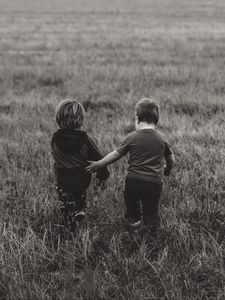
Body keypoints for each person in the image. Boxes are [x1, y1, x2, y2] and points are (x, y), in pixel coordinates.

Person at [86, 98, 175, 234]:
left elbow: (115, 155)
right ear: (157, 120)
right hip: (154, 183)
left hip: (134, 181)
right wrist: (167, 169)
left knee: (132, 204)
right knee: (151, 208)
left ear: (137, 119)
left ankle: (134, 223)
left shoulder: (132, 137)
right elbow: (171, 159)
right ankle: (151, 227)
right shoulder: (162, 138)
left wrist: (98, 164)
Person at [51, 99, 110, 232]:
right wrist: (103, 176)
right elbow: (98, 158)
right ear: (81, 119)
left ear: (58, 119)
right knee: (79, 197)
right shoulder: (84, 140)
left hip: (63, 180)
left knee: (65, 202)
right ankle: (78, 212)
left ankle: (70, 220)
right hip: (81, 179)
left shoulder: (55, 138)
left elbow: (55, 154)